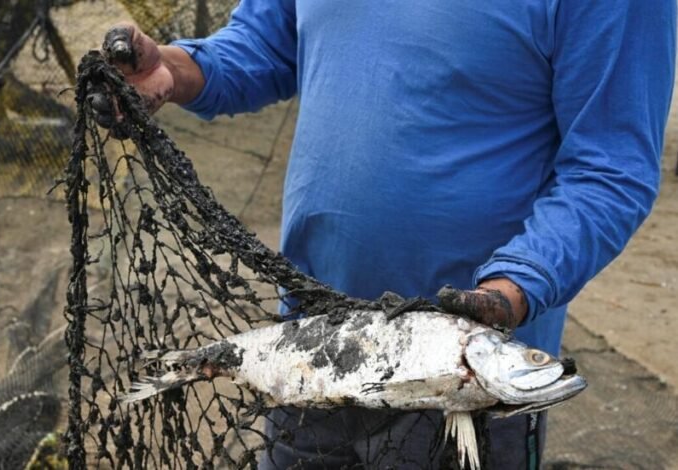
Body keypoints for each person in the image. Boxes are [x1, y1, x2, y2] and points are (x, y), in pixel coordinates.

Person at [94, 1, 676, 468]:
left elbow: (609, 169)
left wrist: (515, 288)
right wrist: (174, 71)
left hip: (460, 378)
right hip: (311, 343)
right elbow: (267, 44)